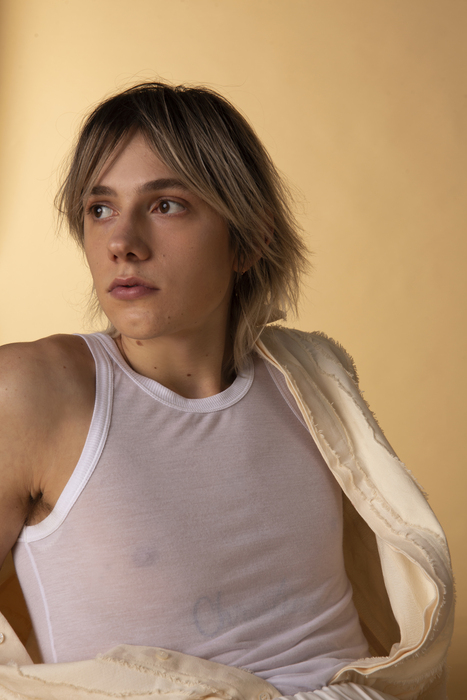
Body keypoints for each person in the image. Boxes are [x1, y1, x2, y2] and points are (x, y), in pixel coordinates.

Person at [0, 82, 453, 700]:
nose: (122, 243)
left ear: (250, 239)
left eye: (166, 205)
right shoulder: (34, 391)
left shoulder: (310, 382)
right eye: (99, 209)